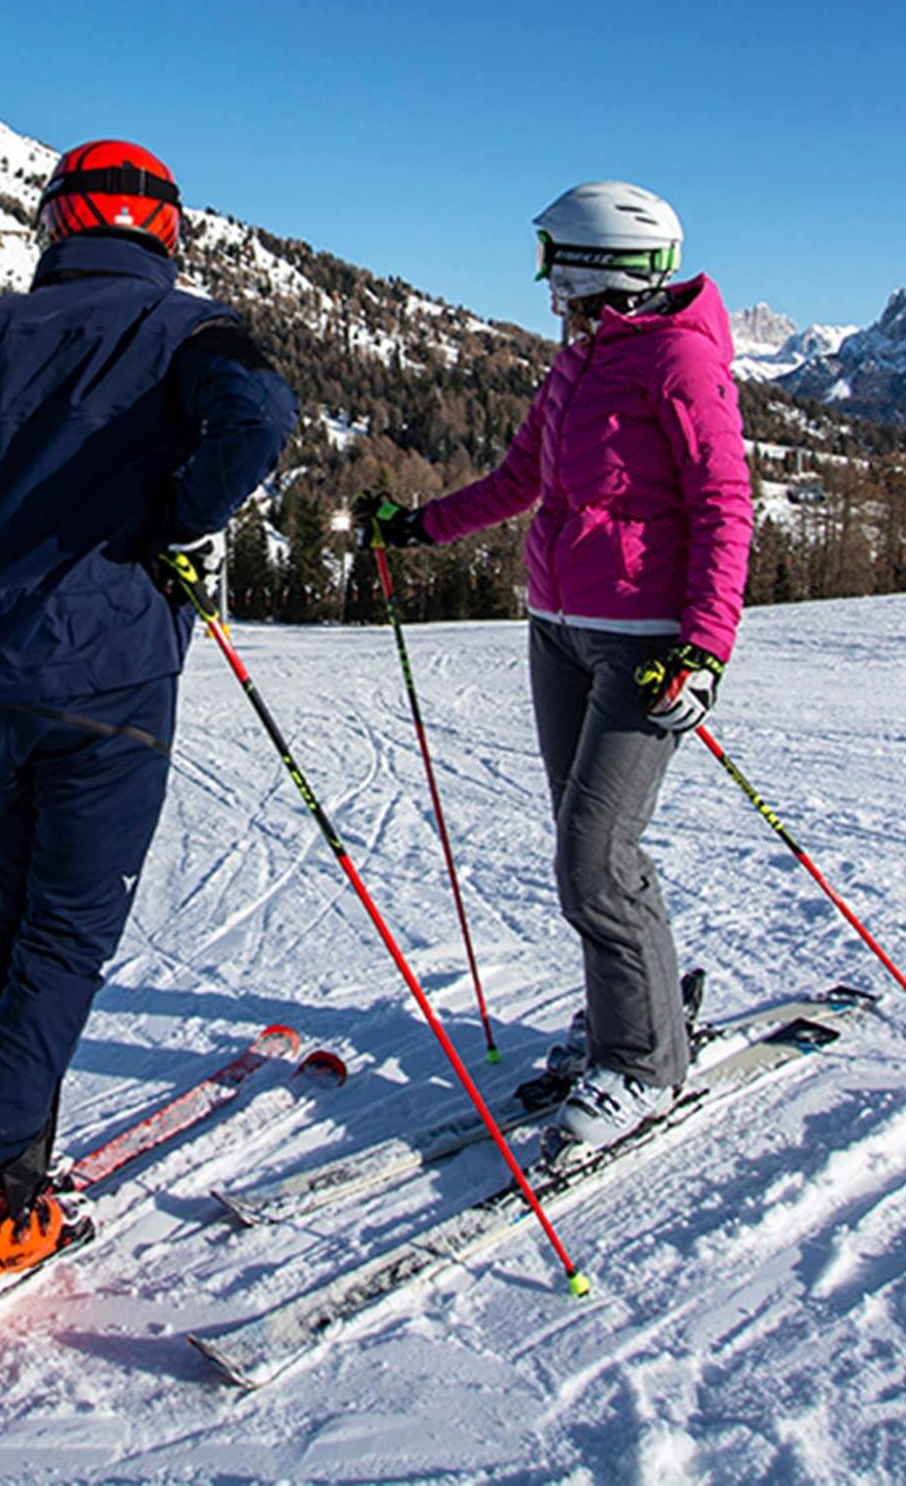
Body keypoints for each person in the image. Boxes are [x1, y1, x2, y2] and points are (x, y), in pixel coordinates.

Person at [0, 139, 296, 1322]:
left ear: (58, 223)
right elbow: (258, 422)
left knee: (13, 920)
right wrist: (180, 516)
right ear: (164, 229)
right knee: (62, 939)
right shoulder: (191, 328)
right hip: (107, 680)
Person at [358, 181, 752, 1150]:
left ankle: (645, 1065)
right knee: (587, 846)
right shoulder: (579, 362)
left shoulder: (679, 363)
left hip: (646, 642)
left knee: (596, 856)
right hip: (559, 632)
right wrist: (420, 527)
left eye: (550, 259)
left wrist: (703, 646)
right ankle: (634, 1012)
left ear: (591, 266)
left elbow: (723, 505)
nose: (542, 279)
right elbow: (520, 480)